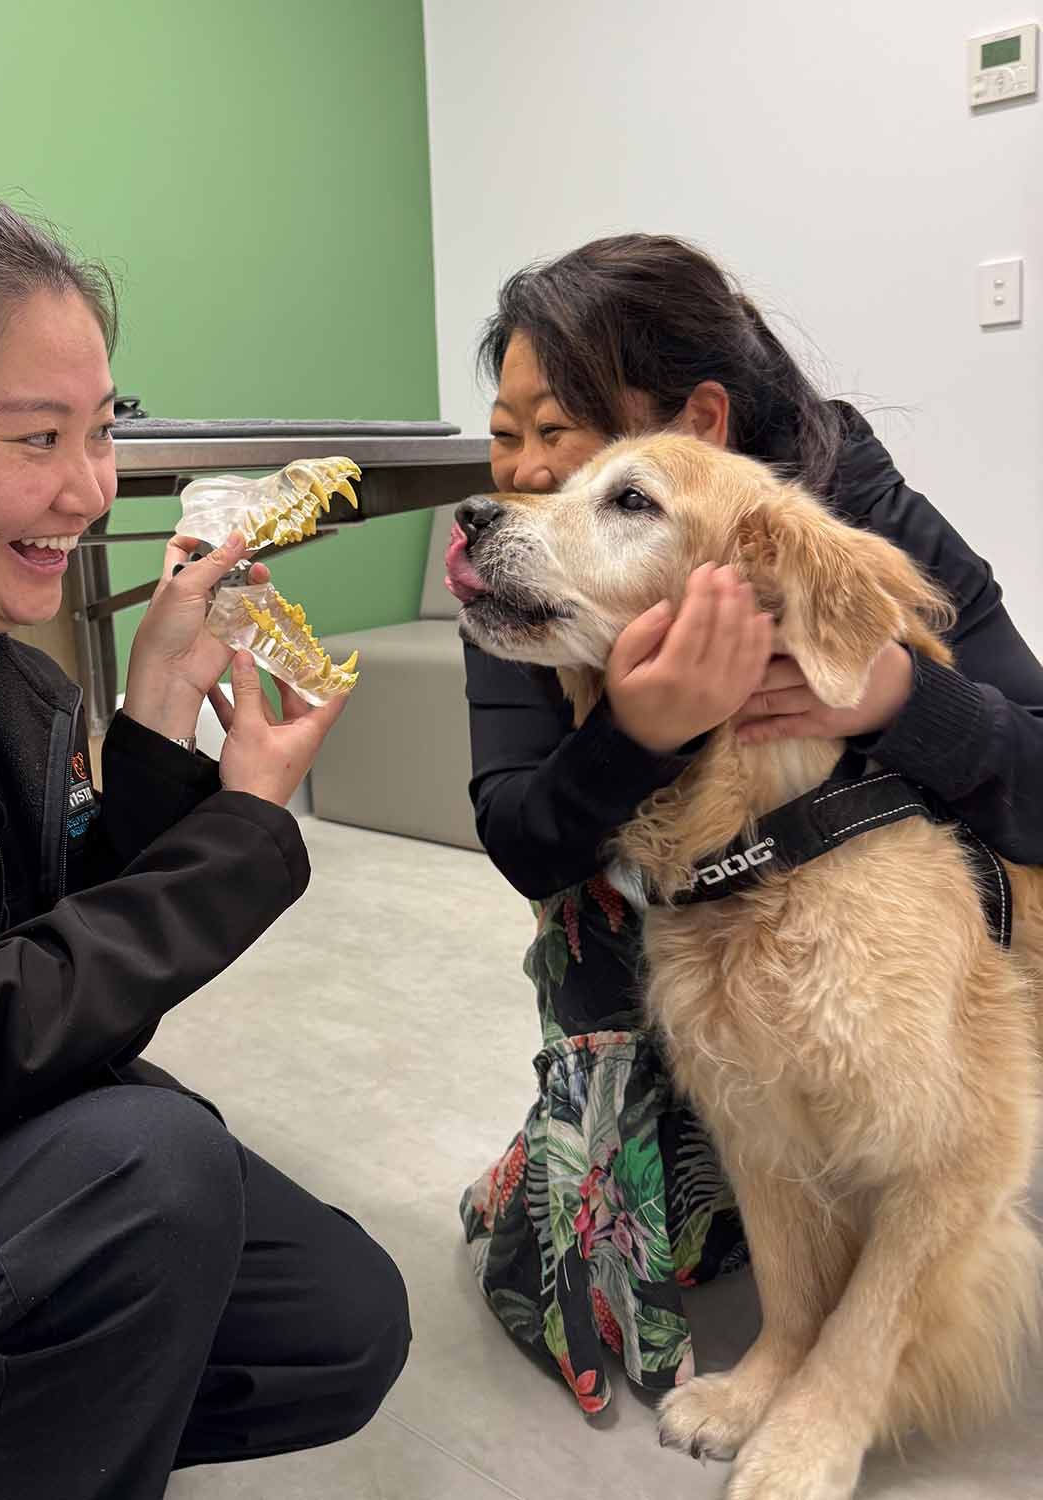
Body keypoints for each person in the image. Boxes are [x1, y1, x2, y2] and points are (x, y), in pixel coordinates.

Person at [0, 182, 410, 1500]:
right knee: (149, 1176)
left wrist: (152, 728)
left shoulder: (5, 679)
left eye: (103, 430)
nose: (90, 489)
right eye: (36, 436)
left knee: (335, 1323)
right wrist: (245, 835)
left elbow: (46, 956)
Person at [458, 233, 1043, 1415]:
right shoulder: (529, 557)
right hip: (653, 912)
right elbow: (520, 832)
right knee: (670, 1219)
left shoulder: (842, 516)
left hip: (898, 930)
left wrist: (899, 696)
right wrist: (638, 734)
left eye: (560, 428)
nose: (520, 472)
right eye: (505, 430)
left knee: (930, 1164)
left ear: (701, 423)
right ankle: (617, 1116)